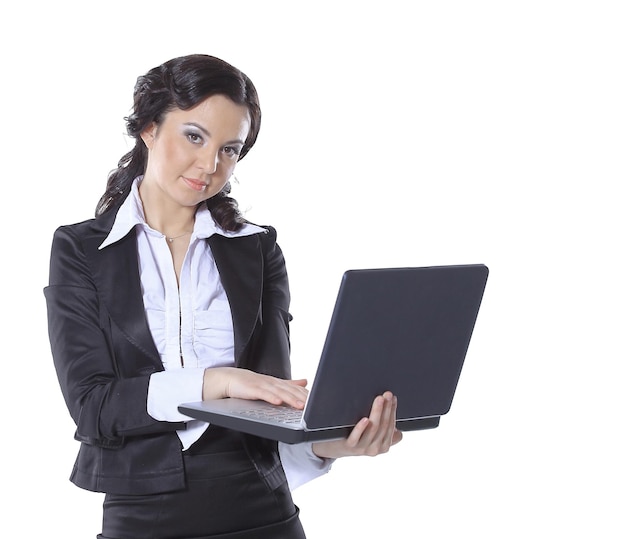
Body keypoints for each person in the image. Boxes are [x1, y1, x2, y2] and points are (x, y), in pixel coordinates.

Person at [44, 53, 402, 539]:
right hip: (141, 515)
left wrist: (331, 444)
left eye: (230, 149)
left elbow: (271, 408)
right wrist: (217, 380)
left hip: (263, 512)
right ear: (149, 127)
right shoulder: (81, 250)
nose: (210, 165)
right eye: (194, 136)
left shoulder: (257, 249)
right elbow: (94, 407)